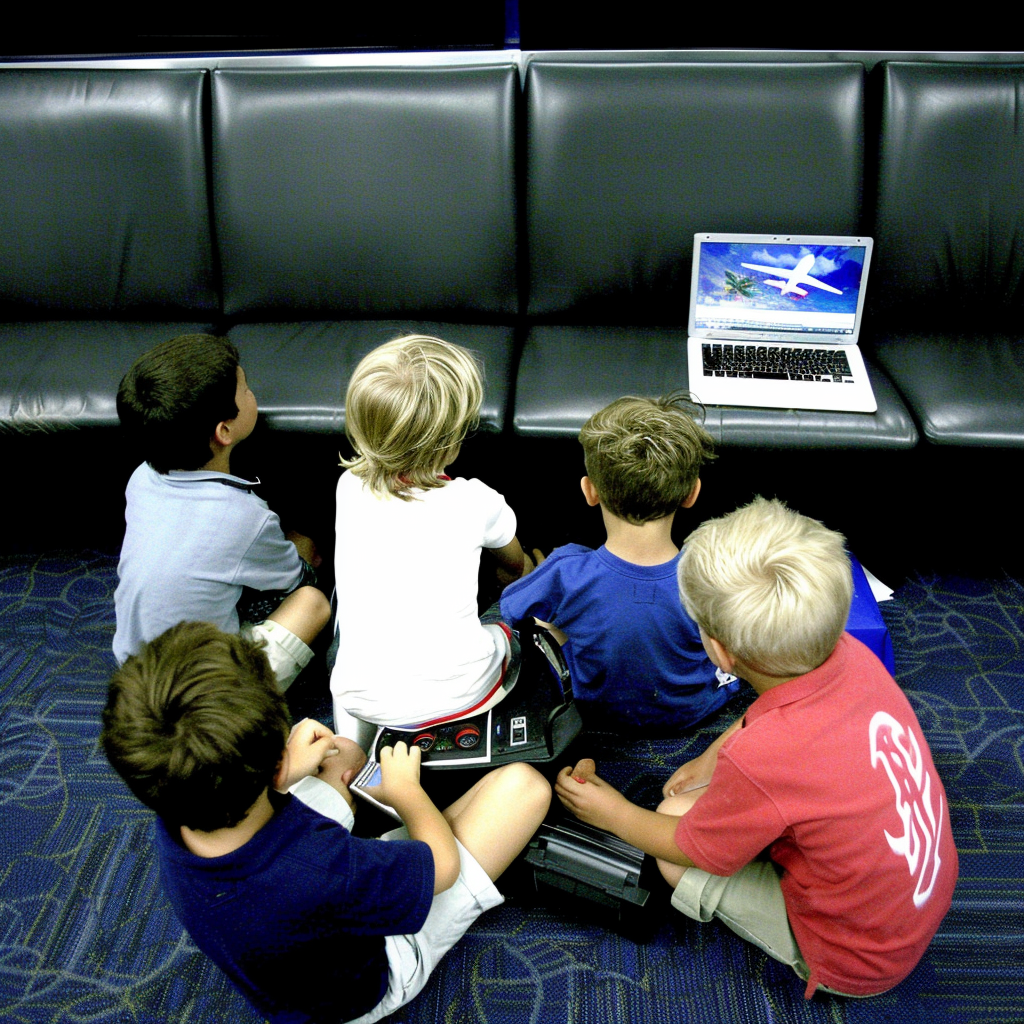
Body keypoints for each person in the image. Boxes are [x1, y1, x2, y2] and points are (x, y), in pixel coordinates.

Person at [556, 497, 958, 999]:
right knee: (692, 803)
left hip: (857, 959)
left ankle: (812, 955)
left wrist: (612, 811)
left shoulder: (766, 756)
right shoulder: (851, 654)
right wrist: (709, 759)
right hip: (914, 897)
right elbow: (770, 710)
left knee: (672, 837)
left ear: (720, 652)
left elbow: (689, 848)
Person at [101, 620, 551, 1024]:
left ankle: (400, 842)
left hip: (285, 954)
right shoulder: (318, 867)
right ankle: (408, 849)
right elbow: (443, 867)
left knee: (342, 757)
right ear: (275, 768)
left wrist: (287, 773)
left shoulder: (174, 807)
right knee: (524, 788)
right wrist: (407, 793)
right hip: (364, 988)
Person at [332, 335, 535, 745]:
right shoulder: (476, 501)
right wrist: (530, 569)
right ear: (453, 441)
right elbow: (514, 568)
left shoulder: (348, 485)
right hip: (462, 694)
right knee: (512, 624)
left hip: (358, 697)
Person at [500, 393, 736, 731]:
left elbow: (509, 611)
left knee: (548, 627)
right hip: (692, 713)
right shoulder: (713, 577)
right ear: (692, 494)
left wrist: (550, 610)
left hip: (592, 711)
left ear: (589, 491)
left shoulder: (565, 570)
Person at [113, 334, 331, 689]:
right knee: (312, 599)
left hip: (136, 675)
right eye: (245, 390)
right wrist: (302, 548)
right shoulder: (245, 517)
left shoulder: (141, 478)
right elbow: (296, 580)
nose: (251, 394)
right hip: (214, 693)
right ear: (224, 430)